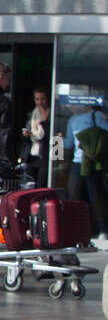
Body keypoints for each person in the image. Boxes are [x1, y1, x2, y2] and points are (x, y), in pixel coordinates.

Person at [64, 101, 108, 244]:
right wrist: (55, 139)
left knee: (95, 195)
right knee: (73, 195)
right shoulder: (72, 120)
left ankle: (102, 229)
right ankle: (74, 229)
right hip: (77, 163)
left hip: (92, 162)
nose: (70, 107)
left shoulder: (96, 116)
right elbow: (69, 143)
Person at [20, 88, 50, 185]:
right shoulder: (32, 114)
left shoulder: (53, 114)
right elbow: (25, 138)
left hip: (46, 156)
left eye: (43, 99)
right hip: (31, 156)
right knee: (28, 185)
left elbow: (55, 138)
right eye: (37, 99)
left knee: (41, 185)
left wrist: (45, 121)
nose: (40, 102)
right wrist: (26, 135)